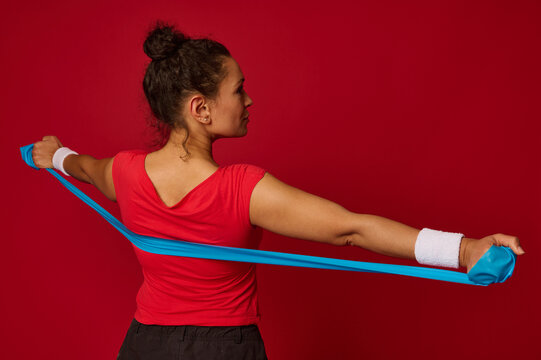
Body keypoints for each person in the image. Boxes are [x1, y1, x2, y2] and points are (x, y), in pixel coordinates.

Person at [30, 21, 525, 360]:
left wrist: (51, 154)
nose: (250, 99)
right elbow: (350, 230)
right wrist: (463, 249)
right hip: (227, 349)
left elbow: (80, 166)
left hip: (144, 345)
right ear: (201, 109)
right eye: (239, 89)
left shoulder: (123, 172)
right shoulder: (242, 189)